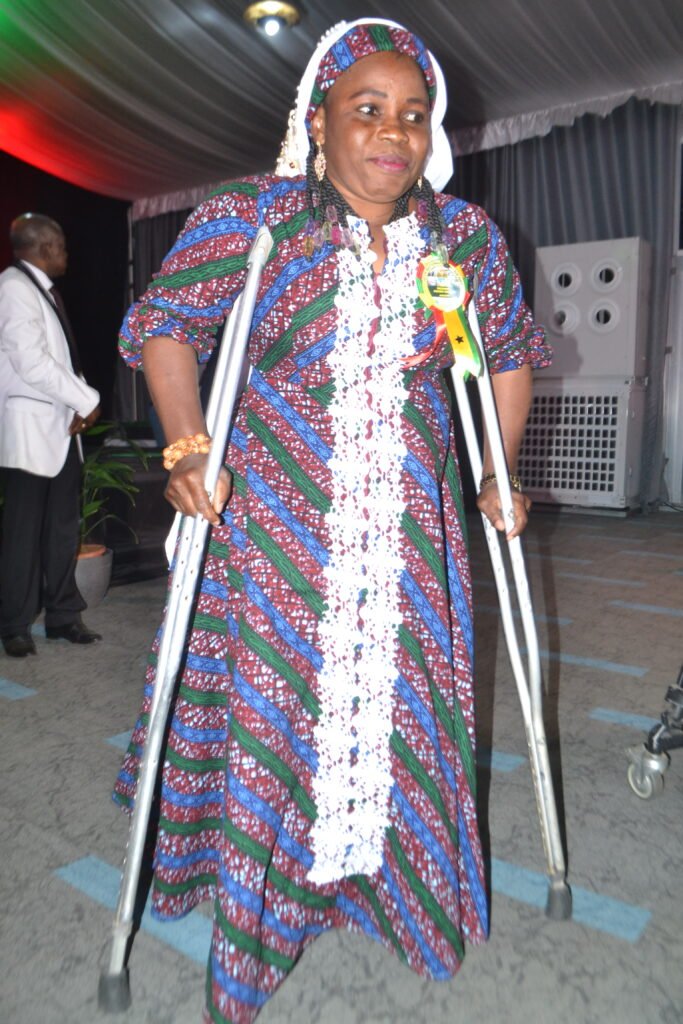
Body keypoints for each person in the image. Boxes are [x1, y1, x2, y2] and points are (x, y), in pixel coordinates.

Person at [114, 18, 551, 1024]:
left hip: (407, 519)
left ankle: (392, 892)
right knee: (281, 704)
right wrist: (187, 444)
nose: (391, 132)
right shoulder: (256, 218)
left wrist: (496, 465)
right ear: (319, 121)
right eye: (367, 110)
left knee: (398, 699)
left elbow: (504, 354)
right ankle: (261, 922)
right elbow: (168, 323)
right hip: (272, 516)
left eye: (412, 114)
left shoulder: (460, 240)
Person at [0, 213, 103, 656]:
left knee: (63, 529)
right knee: (23, 533)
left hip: (62, 429)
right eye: (60, 246)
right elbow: (31, 362)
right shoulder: (13, 287)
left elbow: (58, 362)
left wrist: (78, 402)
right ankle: (15, 625)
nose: (66, 254)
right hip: (29, 431)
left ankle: (62, 616)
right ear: (42, 247)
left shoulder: (42, 291)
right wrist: (88, 399)